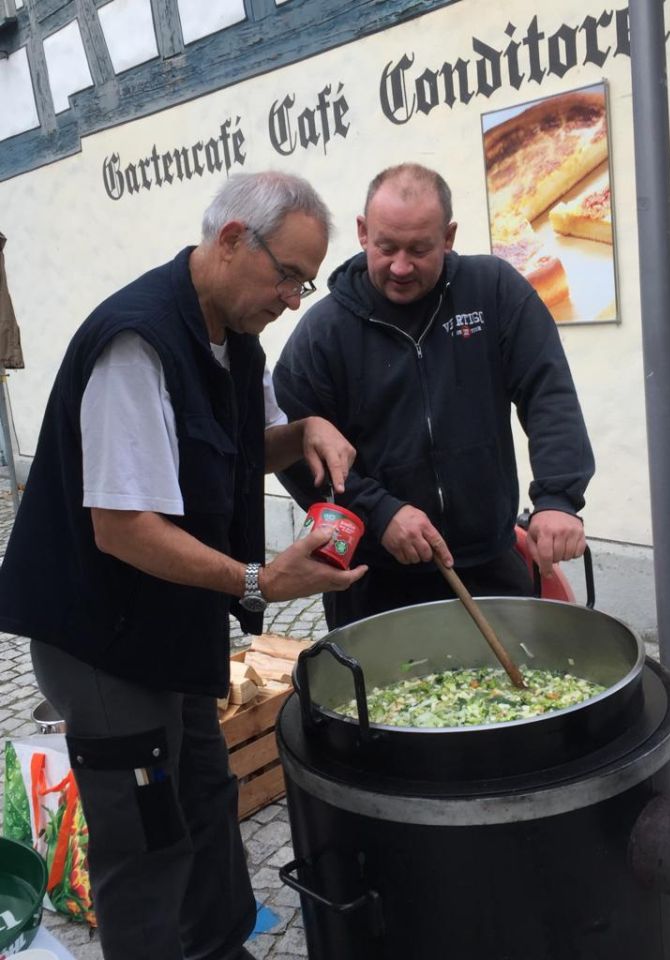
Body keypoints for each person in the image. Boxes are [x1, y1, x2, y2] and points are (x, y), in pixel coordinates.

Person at [0, 171, 367, 960]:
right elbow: (123, 529)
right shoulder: (135, 344)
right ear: (233, 240)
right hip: (101, 640)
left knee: (205, 800)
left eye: (305, 282)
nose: (294, 299)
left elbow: (237, 445)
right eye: (289, 276)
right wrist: (259, 582)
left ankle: (221, 950)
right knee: (146, 838)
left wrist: (303, 429)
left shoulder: (233, 336)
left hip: (172, 627)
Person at [273, 162, 594, 631]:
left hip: (490, 561)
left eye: (419, 249)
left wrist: (557, 499)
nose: (401, 266)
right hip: (373, 578)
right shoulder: (322, 334)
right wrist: (381, 513)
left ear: (448, 237)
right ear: (363, 232)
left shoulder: (494, 291)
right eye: (386, 247)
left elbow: (549, 394)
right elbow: (294, 452)